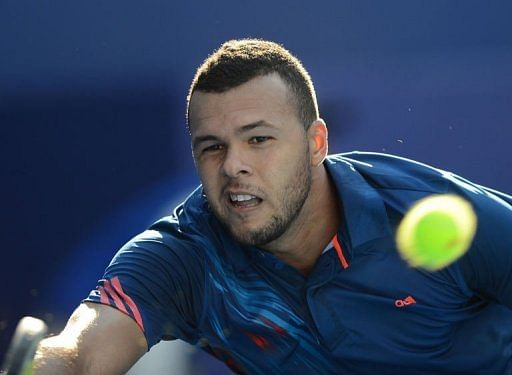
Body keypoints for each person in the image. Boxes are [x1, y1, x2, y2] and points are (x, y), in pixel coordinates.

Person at [33, 39, 512, 374]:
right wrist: (55, 364)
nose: (233, 165)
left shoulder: (419, 207)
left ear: (315, 143)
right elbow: (83, 349)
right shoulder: (181, 258)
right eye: (212, 147)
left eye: (259, 139)